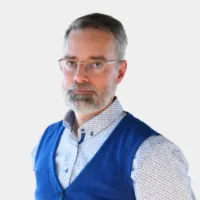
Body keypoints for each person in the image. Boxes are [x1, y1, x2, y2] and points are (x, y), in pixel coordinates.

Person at [31, 13, 196, 200]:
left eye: (96, 64)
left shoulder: (152, 154)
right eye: (71, 63)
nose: (79, 76)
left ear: (120, 72)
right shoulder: (44, 143)